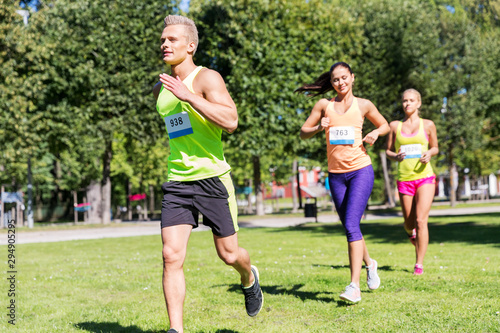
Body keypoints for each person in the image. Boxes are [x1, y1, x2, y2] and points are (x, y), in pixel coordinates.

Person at [153, 15, 263, 333]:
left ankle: (248, 277)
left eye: (171, 39)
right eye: (162, 39)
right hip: (177, 181)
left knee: (228, 254)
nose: (164, 44)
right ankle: (176, 329)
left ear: (190, 46)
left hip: (212, 179)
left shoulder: (206, 78)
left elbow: (230, 121)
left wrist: (189, 96)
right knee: (170, 255)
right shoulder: (163, 90)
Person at [297, 62, 389, 303]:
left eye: (344, 77)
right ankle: (370, 264)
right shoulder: (324, 106)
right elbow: (303, 132)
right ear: (332, 82)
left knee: (350, 224)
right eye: (336, 79)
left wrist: (375, 134)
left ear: (352, 78)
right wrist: (318, 127)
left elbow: (384, 125)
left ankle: (354, 286)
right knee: (351, 227)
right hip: (336, 176)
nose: (340, 82)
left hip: (360, 171)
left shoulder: (364, 105)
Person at [385, 88, 439, 275]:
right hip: (405, 179)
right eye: (404, 101)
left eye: (411, 100)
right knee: (409, 223)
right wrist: (396, 156)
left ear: (419, 103)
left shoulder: (429, 125)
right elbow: (388, 151)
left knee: (421, 220)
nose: (407, 104)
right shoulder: (394, 126)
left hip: (425, 178)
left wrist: (429, 154)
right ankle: (410, 233)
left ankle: (419, 264)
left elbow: (435, 148)